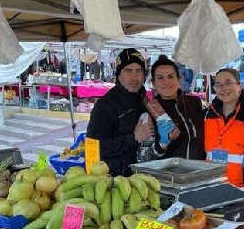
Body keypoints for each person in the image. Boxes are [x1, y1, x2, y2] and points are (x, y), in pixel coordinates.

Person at [86, 48, 154, 176]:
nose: (134, 77)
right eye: (128, 71)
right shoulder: (105, 106)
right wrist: (133, 138)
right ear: (118, 74)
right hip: (115, 181)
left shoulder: (144, 100)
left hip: (141, 176)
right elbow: (92, 150)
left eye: (138, 71)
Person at [138, 56, 205, 162]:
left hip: (197, 174)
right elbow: (142, 158)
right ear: (153, 83)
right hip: (169, 177)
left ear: (179, 79)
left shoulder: (195, 104)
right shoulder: (150, 113)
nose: (166, 82)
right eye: (160, 77)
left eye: (170, 76)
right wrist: (162, 144)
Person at [204, 68, 244, 187]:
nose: (223, 88)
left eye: (228, 83)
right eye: (218, 85)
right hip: (211, 185)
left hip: (241, 189)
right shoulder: (207, 115)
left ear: (239, 86)